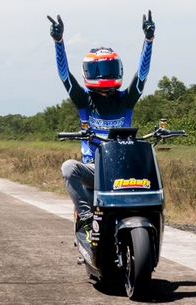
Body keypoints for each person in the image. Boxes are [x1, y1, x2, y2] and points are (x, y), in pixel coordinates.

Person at [48, 11, 155, 238]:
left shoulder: (126, 99)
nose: (103, 75)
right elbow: (64, 75)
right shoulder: (84, 100)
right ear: (88, 72)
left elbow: (142, 76)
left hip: (124, 169)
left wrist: (148, 41)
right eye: (98, 70)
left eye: (108, 68)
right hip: (94, 169)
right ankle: (86, 219)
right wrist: (59, 43)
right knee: (68, 167)